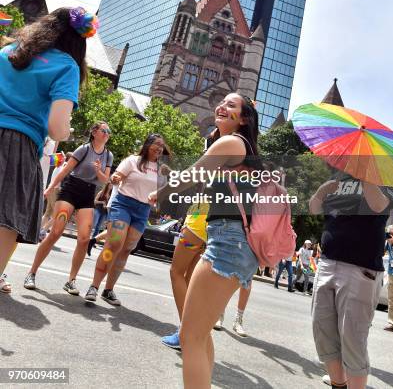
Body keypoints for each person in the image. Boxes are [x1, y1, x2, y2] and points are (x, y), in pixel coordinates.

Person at [150, 93, 263, 389]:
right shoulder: (242, 146)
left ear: (244, 118)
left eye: (232, 106)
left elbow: (190, 175)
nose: (222, 107)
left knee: (190, 338)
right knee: (200, 335)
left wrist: (159, 193)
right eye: (222, 103)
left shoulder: (231, 143)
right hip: (233, 244)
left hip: (228, 243)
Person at [0, 6, 93, 283]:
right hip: (16, 145)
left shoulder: (9, 51)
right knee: (6, 219)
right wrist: (66, 131)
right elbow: (57, 127)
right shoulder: (66, 65)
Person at [309, 176, 393, 389]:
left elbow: (378, 206)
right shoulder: (337, 179)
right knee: (323, 332)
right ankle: (339, 384)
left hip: (361, 269)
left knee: (353, 340)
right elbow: (314, 209)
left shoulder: (382, 178)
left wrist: (366, 175)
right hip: (327, 262)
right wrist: (320, 192)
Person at [24, 121, 113, 294]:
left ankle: (71, 281)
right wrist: (50, 188)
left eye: (109, 131)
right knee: (56, 232)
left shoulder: (108, 155)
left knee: (84, 239)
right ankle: (31, 273)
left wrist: (98, 171)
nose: (107, 133)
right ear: (94, 132)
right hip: (70, 190)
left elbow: (104, 180)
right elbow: (65, 171)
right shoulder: (84, 149)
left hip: (88, 194)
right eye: (104, 130)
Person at [84, 133, 169, 306]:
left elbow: (162, 191)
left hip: (142, 211)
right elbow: (117, 177)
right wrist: (115, 178)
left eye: (162, 146)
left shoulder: (161, 169)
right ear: (148, 145)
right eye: (157, 144)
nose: (160, 148)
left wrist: (161, 192)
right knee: (114, 243)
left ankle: (108, 290)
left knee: (126, 249)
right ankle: (94, 286)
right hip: (123, 205)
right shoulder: (132, 160)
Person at [161, 200, 208, 349]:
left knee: (176, 272)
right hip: (208, 226)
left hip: (197, 223)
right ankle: (188, 331)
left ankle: (186, 331)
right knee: (188, 278)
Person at [86, 180, 113, 255]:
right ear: (107, 185)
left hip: (104, 213)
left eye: (112, 185)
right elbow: (94, 201)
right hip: (98, 210)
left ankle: (92, 241)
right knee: (93, 224)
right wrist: (102, 202)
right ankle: (86, 238)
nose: (111, 186)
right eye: (110, 185)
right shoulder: (101, 192)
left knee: (98, 227)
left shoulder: (111, 195)